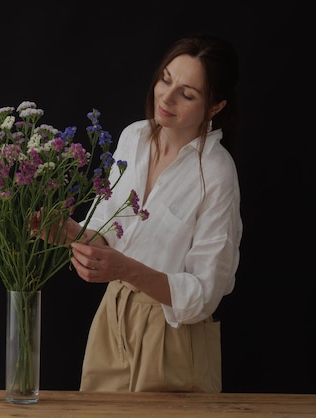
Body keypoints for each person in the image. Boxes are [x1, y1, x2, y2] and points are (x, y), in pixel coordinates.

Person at [51, 34, 242, 392]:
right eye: (165, 79)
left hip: (172, 336)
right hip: (112, 317)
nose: (166, 97)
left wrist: (125, 268)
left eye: (187, 94)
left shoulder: (216, 172)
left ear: (216, 107)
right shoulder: (133, 138)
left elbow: (204, 295)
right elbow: (107, 231)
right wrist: (60, 230)